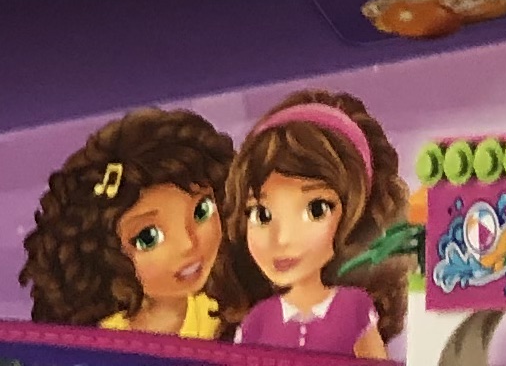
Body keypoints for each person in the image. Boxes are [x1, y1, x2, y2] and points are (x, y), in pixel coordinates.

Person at [216, 95, 406, 354]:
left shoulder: (353, 309)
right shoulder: (257, 321)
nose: (282, 238)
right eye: (261, 214)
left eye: (316, 209)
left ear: (355, 217)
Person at [24, 109, 235, 338]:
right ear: (104, 253)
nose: (188, 244)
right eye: (148, 237)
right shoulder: (100, 339)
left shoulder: (225, 314)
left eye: (202, 210)